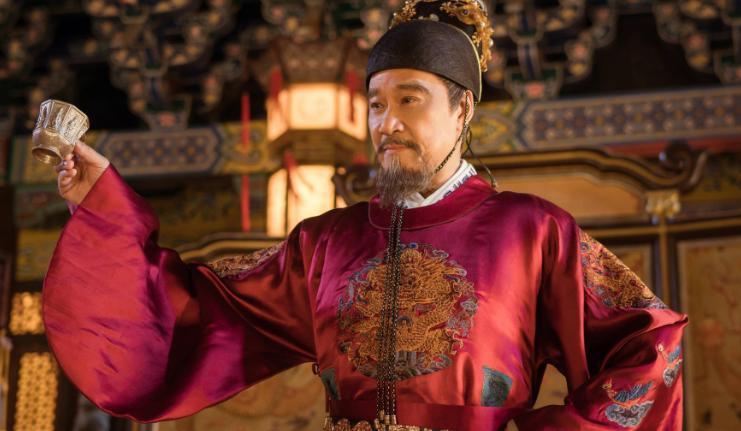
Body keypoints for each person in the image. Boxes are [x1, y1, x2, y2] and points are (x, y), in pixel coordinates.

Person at [44, 1, 686, 429]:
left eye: (410, 100)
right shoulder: (324, 242)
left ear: (462, 110)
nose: (387, 122)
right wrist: (103, 208)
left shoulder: (534, 231)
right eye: (377, 104)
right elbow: (193, 313)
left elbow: (650, 344)